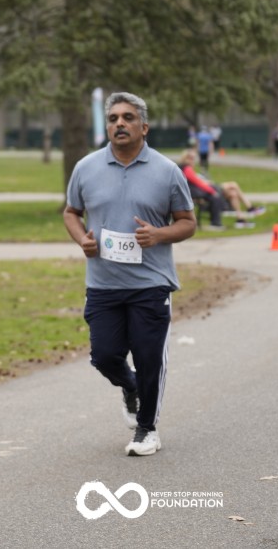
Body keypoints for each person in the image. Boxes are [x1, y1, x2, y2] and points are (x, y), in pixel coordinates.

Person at [63, 91, 196, 457]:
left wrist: (159, 235)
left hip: (150, 283)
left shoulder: (167, 171)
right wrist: (82, 239)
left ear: (144, 127)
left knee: (149, 358)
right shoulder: (86, 167)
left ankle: (147, 429)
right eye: (113, 118)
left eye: (128, 117)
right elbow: (71, 212)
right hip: (103, 283)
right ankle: (131, 386)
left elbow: (188, 222)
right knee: (104, 356)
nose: (119, 123)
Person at [179, 149, 265, 229]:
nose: (193, 160)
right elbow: (198, 183)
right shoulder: (187, 169)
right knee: (233, 185)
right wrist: (211, 190)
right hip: (207, 189)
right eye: (190, 158)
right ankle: (250, 208)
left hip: (206, 188)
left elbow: (197, 181)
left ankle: (240, 219)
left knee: (233, 194)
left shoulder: (186, 169)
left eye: (194, 158)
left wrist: (206, 182)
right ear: (185, 158)